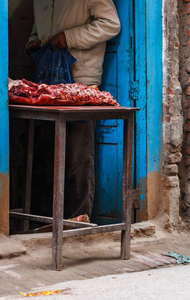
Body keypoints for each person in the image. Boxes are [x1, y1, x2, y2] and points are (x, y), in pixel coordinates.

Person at [24, 0, 121, 220]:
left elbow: (110, 24)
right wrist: (33, 43)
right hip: (49, 82)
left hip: (81, 80)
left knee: (77, 154)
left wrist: (68, 38)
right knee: (48, 152)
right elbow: (37, 30)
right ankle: (50, 217)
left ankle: (78, 218)